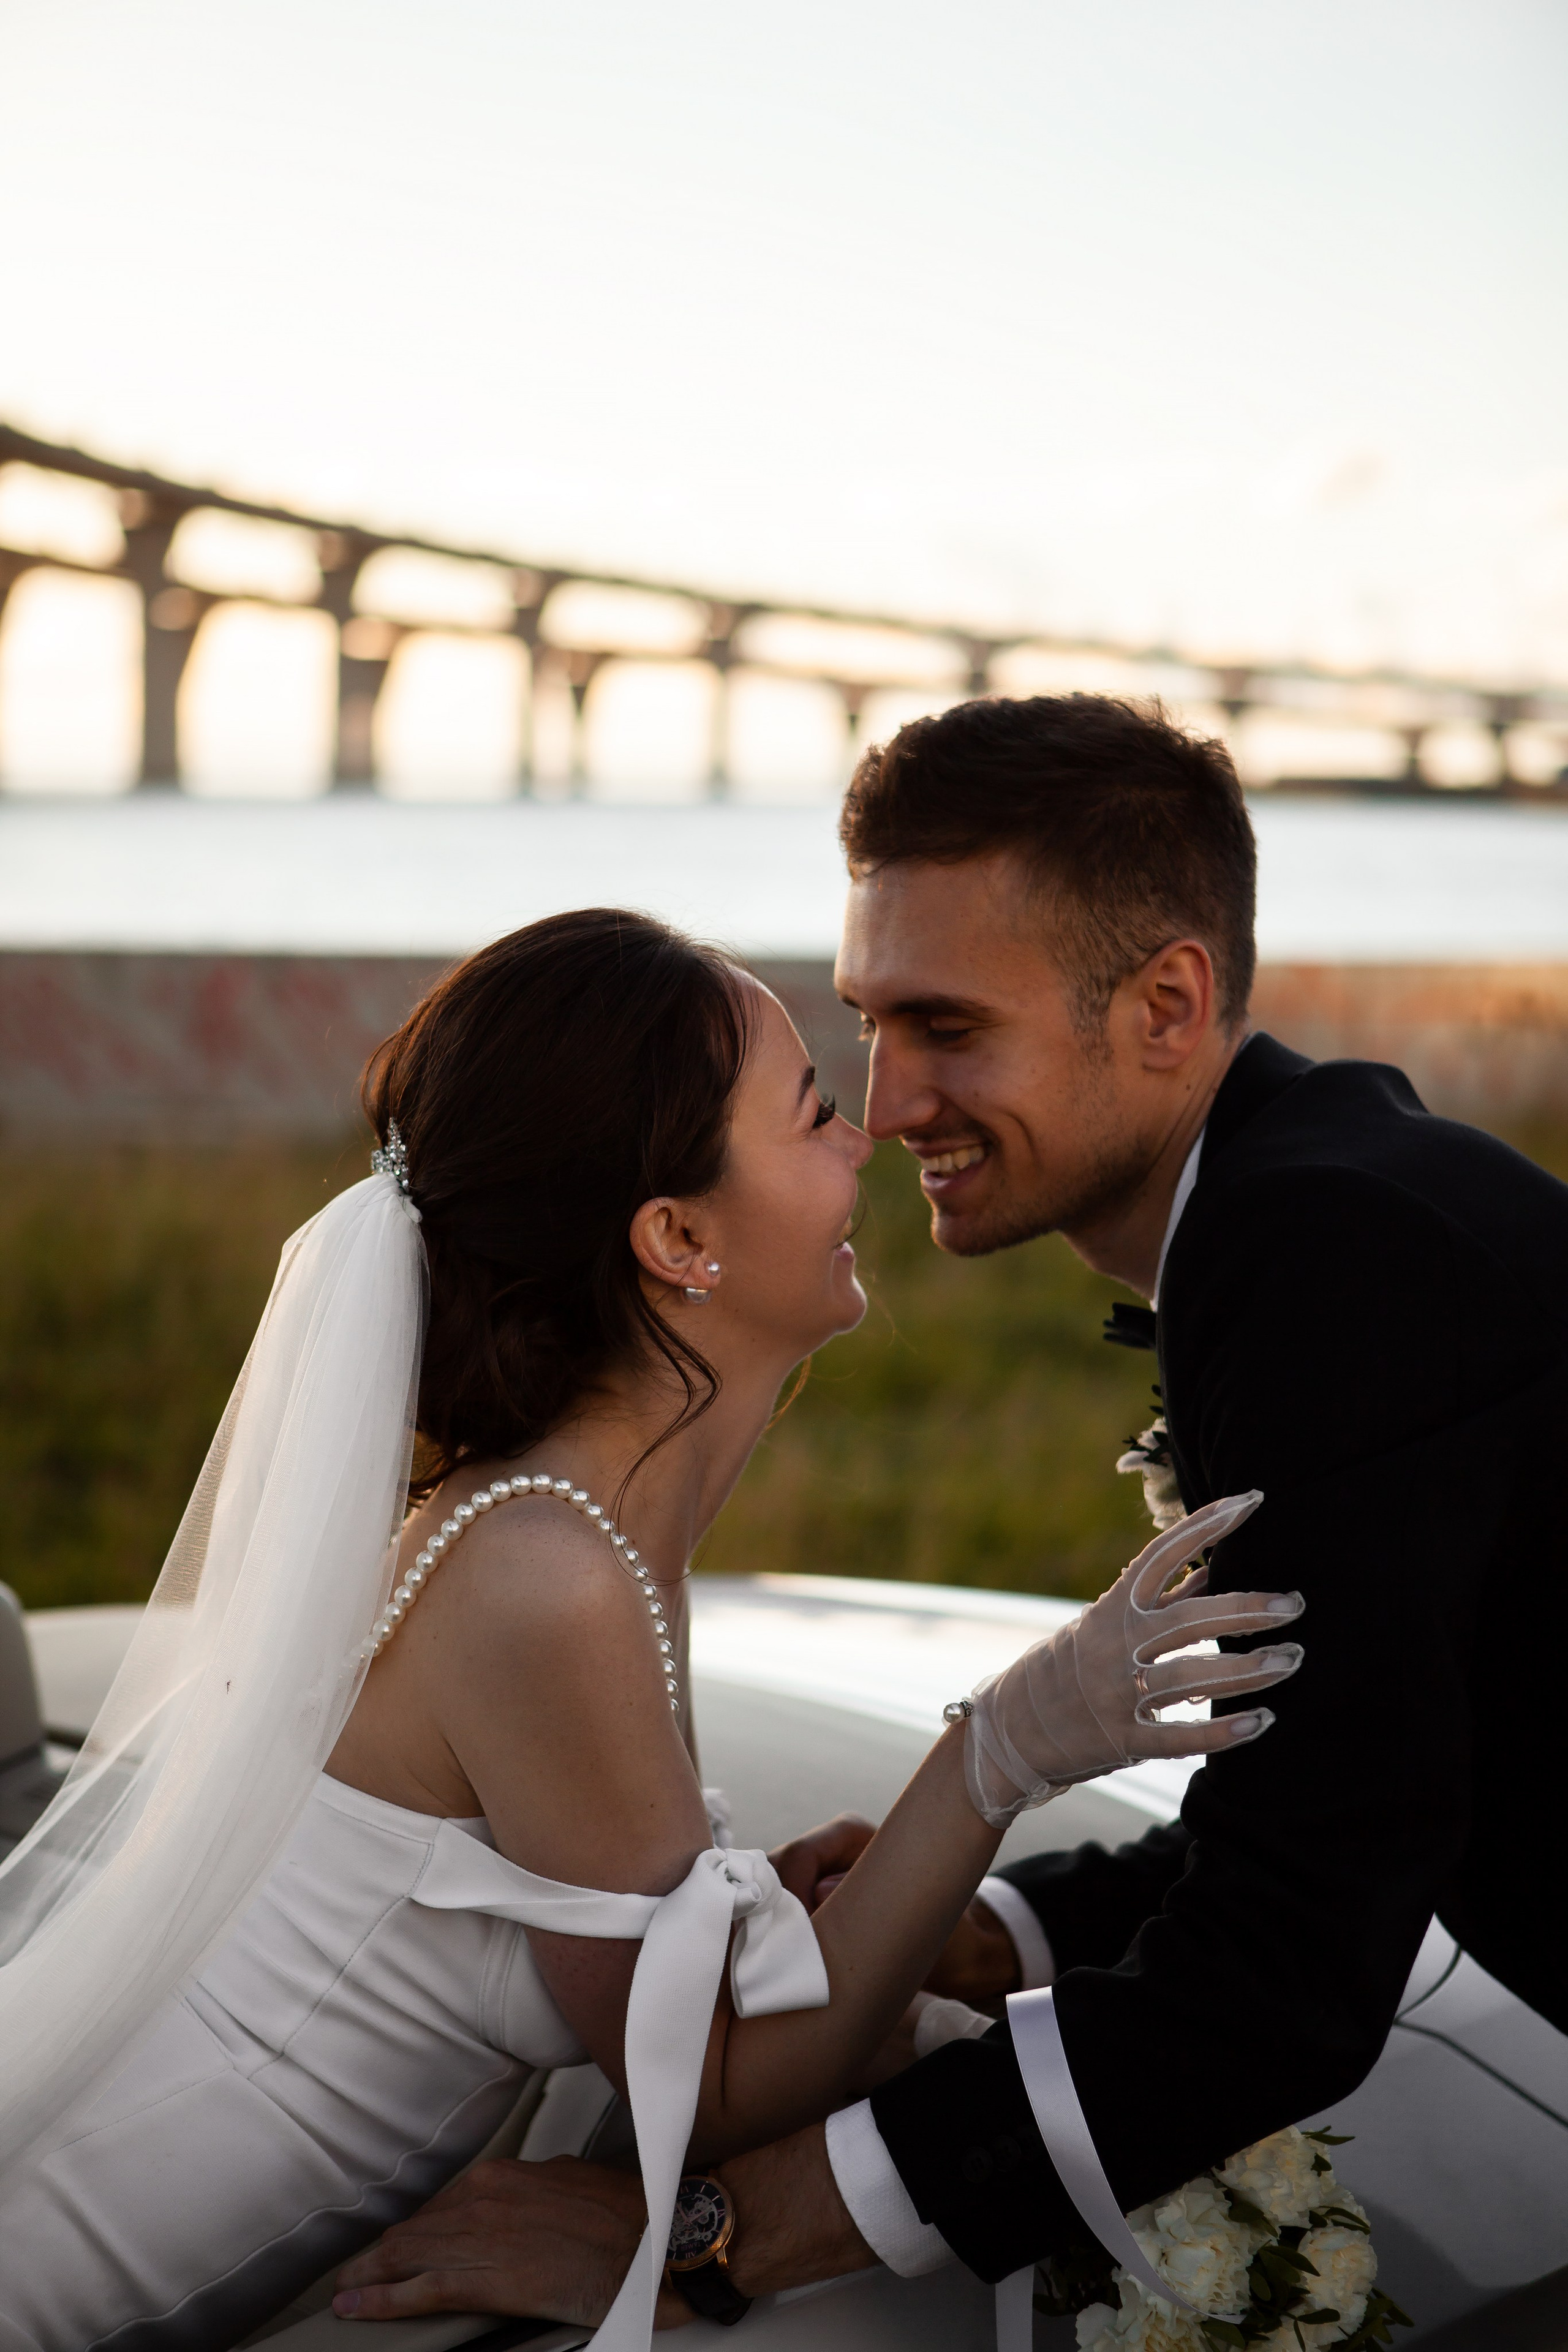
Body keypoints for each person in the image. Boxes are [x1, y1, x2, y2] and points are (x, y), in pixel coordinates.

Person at [332, 692, 1568, 2329]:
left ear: (1168, 1004)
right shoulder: (1328, 1196)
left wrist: (709, 2241)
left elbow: (1284, 1970)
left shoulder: (1320, 1251)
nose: (890, 1100)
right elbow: (1343, 1797)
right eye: (867, 1024)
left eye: (948, 1030)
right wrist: (982, 1932)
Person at [0, 906, 1305, 2352]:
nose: (862, 1136)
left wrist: (808, 1911)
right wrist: (1000, 1749)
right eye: (810, 1110)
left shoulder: (578, 1540)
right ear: (678, 1236)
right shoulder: (539, 1573)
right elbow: (727, 2088)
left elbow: (685, 2004)